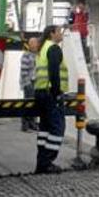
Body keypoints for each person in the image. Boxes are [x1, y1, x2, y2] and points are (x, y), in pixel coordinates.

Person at [34, 25, 68, 174]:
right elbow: (54, 72)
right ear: (52, 34)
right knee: (57, 128)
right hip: (50, 94)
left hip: (40, 92)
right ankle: (47, 162)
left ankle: (41, 163)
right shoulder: (53, 48)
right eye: (59, 32)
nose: (61, 34)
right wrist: (57, 93)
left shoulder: (43, 48)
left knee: (45, 129)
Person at [20, 37, 40, 132]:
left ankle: (33, 123)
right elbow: (24, 71)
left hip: (36, 82)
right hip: (29, 82)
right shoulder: (26, 55)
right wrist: (27, 83)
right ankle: (25, 125)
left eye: (36, 43)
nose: (35, 45)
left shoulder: (37, 55)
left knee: (35, 104)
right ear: (30, 44)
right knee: (28, 103)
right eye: (33, 43)